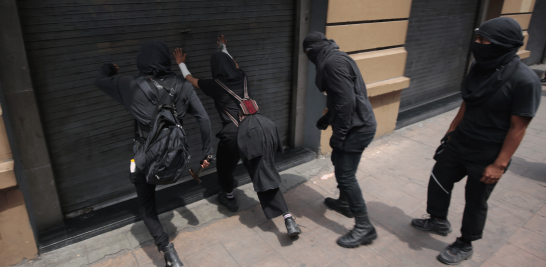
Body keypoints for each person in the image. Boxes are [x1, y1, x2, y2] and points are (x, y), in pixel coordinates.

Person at [411, 17, 542, 265]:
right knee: (439, 180)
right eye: (478, 39)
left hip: (489, 153)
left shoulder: (525, 80)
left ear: (504, 44)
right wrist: (452, 129)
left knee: (475, 200)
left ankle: (465, 242)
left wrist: (499, 164)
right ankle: (437, 220)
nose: (478, 44)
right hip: (460, 141)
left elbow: (519, 126)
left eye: (484, 40)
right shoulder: (481, 67)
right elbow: (469, 100)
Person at [95, 40, 213, 267]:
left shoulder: (128, 85)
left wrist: (110, 68)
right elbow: (204, 119)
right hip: (175, 158)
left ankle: (167, 250)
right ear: (165, 60)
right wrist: (207, 153)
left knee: (147, 208)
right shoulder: (183, 85)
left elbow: (99, 80)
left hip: (146, 158)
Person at [173, 36, 302, 237]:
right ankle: (288, 219)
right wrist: (224, 48)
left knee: (225, 167)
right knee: (263, 172)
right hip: (259, 127)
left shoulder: (214, 84)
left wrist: (181, 64)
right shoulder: (242, 76)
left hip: (234, 134)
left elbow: (190, 79)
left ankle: (230, 197)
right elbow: (235, 64)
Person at [303, 32, 378, 248]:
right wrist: (327, 119)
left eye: (307, 54)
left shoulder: (331, 64)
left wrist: (339, 136)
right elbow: (339, 98)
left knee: (345, 176)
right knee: (340, 164)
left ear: (311, 52)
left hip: (357, 128)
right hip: (356, 124)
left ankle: (365, 227)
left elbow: (346, 102)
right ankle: (345, 203)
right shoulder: (336, 57)